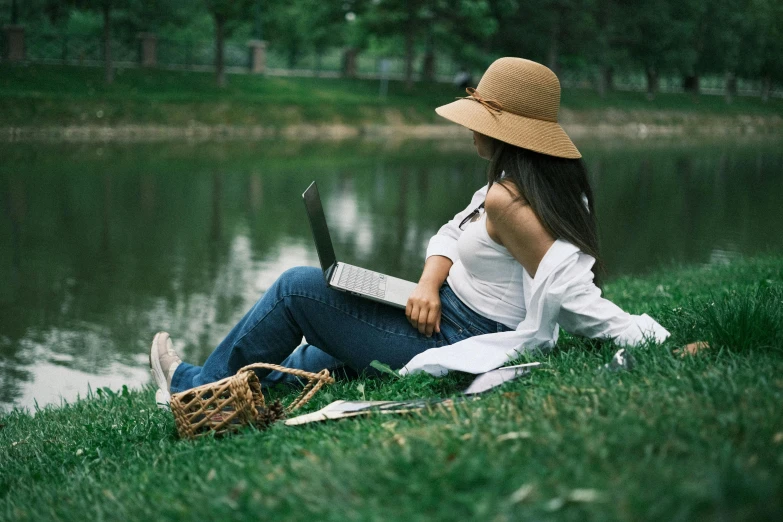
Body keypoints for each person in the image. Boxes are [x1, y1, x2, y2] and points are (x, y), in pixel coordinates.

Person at [149, 57, 673, 405]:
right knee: (320, 353)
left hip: (461, 336)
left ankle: (194, 391)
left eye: (478, 118)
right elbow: (451, 231)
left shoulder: (510, 201)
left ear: (505, 129)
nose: (469, 127)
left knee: (295, 289)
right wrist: (426, 283)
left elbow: (571, 293)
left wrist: (650, 339)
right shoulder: (523, 182)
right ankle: (242, 392)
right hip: (439, 310)